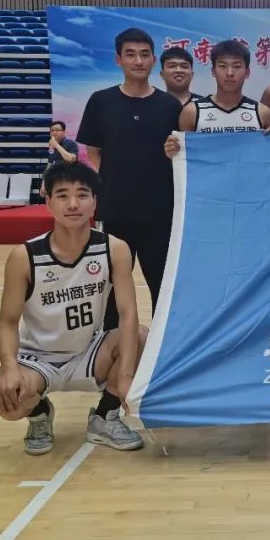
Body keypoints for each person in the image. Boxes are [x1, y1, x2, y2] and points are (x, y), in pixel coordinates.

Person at [0, 162, 145, 455]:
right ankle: (39, 414)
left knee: (140, 335)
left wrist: (125, 376)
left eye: (82, 195)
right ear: (48, 202)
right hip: (38, 359)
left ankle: (105, 417)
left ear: (95, 201)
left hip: (88, 353)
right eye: (62, 195)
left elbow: (128, 313)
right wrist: (9, 368)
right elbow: (7, 322)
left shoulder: (114, 249)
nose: (73, 204)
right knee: (4, 396)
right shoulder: (24, 256)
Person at [76, 27, 182, 327]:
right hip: (116, 211)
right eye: (131, 54)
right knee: (112, 288)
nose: (138, 61)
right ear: (118, 59)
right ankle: (113, 346)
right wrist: (115, 180)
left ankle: (161, 347)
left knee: (163, 287)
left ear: (153, 61)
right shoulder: (101, 101)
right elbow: (93, 150)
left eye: (145, 55)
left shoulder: (169, 105)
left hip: (161, 213)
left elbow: (180, 152)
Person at [179, 40, 270, 133]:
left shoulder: (262, 113)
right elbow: (184, 144)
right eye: (222, 66)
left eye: (237, 66)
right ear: (213, 71)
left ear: (247, 72)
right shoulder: (192, 112)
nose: (229, 73)